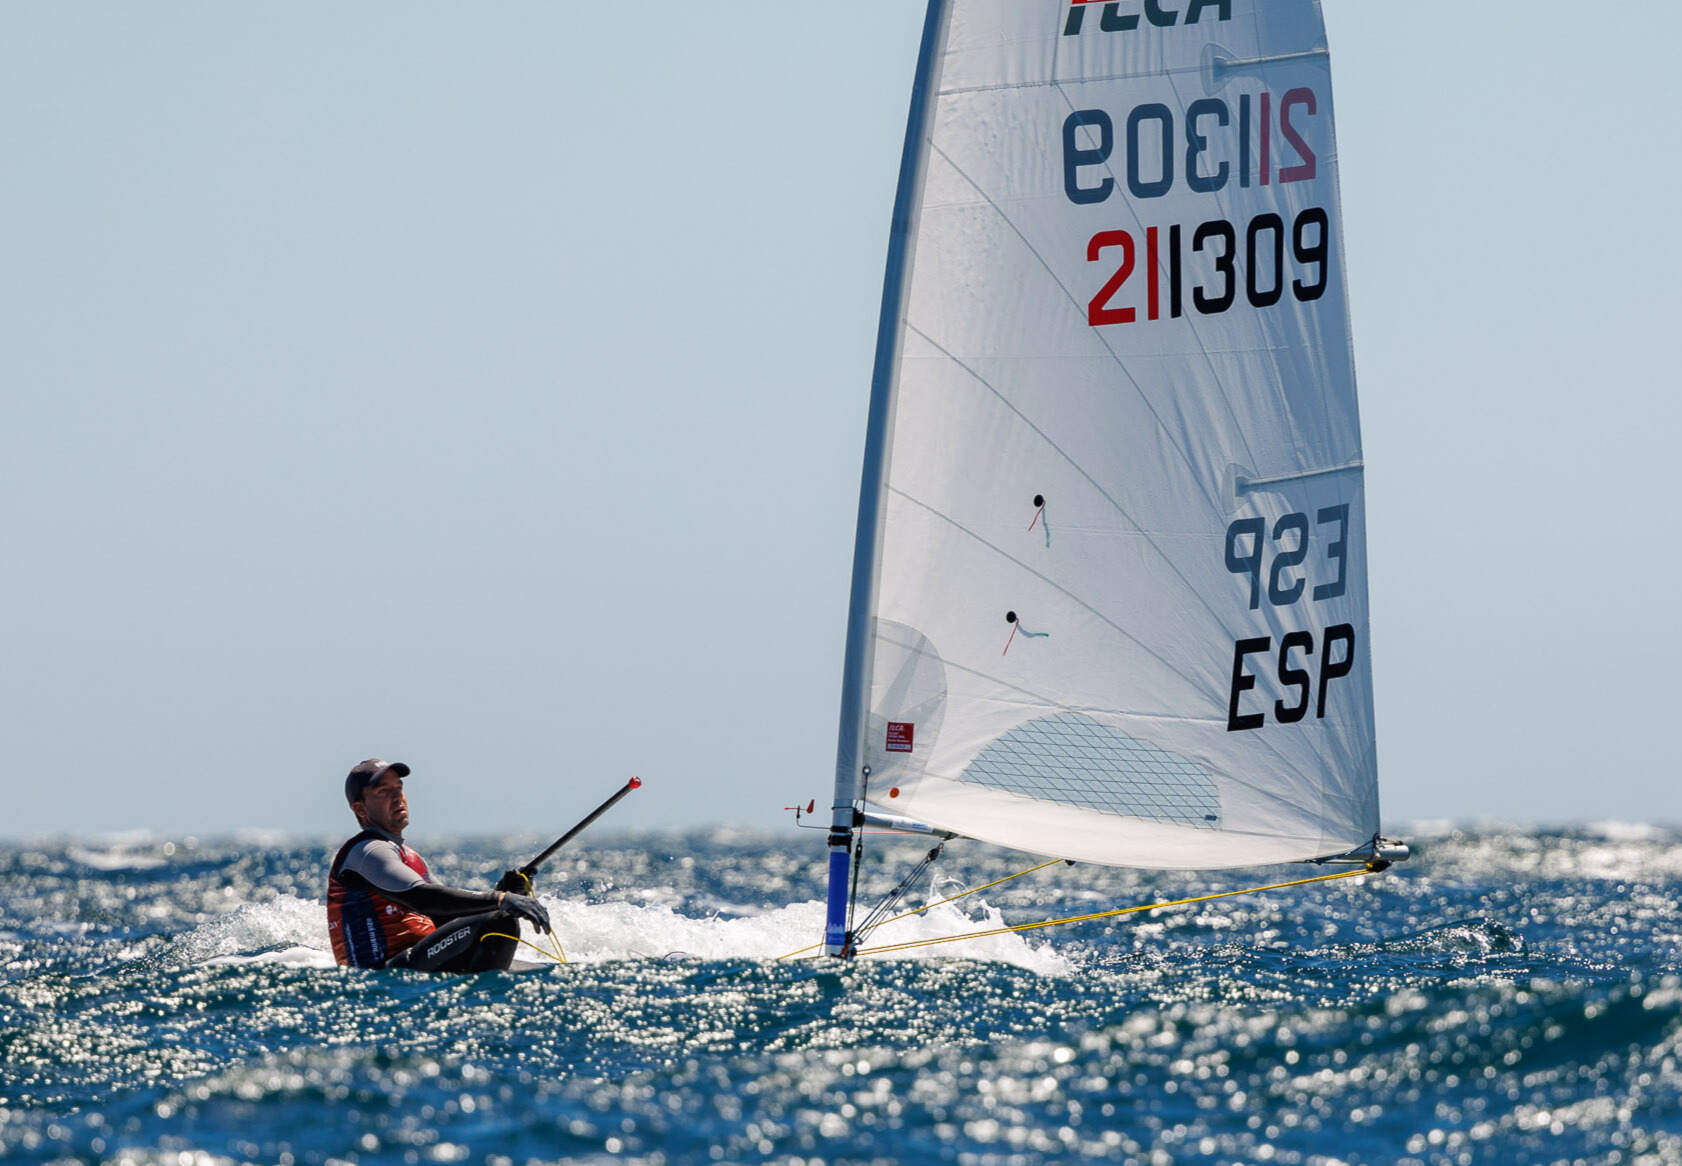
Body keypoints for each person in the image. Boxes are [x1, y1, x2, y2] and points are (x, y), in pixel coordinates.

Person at [326, 758, 553, 972]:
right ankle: (481, 1007)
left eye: (399, 787)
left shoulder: (410, 856)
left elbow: (449, 918)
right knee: (499, 921)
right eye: (383, 791)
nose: (397, 797)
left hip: (420, 960)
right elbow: (423, 898)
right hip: (386, 974)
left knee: (538, 972)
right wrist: (500, 901)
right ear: (360, 809)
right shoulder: (368, 851)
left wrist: (503, 893)